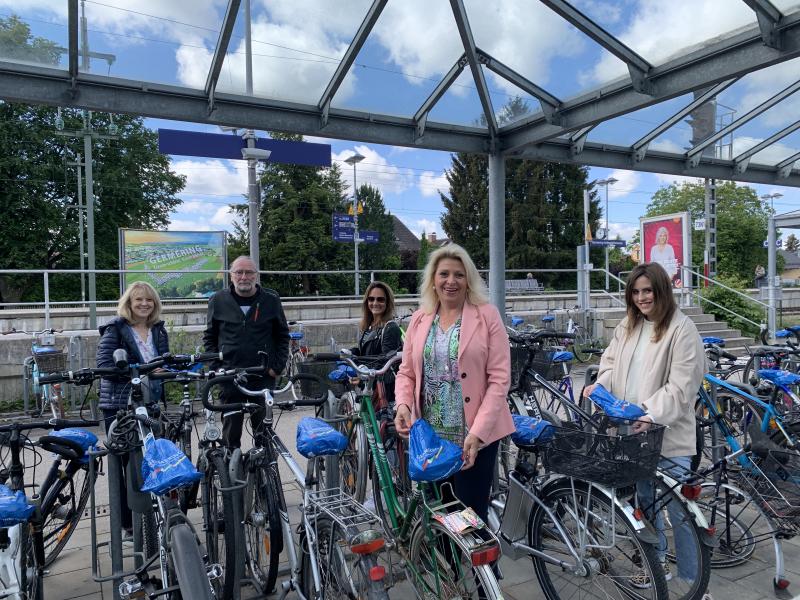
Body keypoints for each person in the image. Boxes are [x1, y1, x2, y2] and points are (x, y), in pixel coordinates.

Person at [583, 262, 705, 587]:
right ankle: (657, 564)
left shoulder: (682, 329)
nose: (641, 298)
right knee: (645, 502)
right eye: (635, 292)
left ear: (661, 290)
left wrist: (649, 413)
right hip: (632, 433)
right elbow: (609, 363)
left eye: (647, 290)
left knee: (680, 510)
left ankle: (693, 583)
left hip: (667, 433)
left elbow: (682, 387)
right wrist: (601, 385)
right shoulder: (628, 326)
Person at [394, 244, 515, 523]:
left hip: (473, 438)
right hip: (431, 439)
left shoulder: (487, 316)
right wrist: (402, 405)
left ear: (468, 279)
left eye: (459, 275)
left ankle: (482, 569)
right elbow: (407, 372)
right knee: (440, 518)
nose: (451, 281)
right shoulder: (420, 319)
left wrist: (479, 433)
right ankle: (448, 567)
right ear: (433, 280)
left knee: (470, 521)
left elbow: (499, 380)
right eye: (444, 274)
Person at [97, 281, 170, 538]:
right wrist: (142, 370)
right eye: (138, 299)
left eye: (149, 300)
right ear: (129, 303)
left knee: (149, 461)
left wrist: (164, 370)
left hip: (150, 403)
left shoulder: (158, 330)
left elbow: (165, 361)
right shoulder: (115, 329)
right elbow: (106, 365)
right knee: (124, 465)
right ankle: (127, 524)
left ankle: (152, 519)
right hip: (120, 404)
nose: (144, 304)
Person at [203, 256, 290, 448]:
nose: (244, 277)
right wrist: (217, 368)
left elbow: (283, 336)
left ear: (256, 275)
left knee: (264, 433)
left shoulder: (271, 300)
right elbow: (209, 338)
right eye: (239, 272)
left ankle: (266, 474)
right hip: (230, 377)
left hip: (262, 376)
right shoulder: (217, 300)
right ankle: (231, 474)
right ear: (231, 275)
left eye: (249, 272)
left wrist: (277, 367)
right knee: (231, 435)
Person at [351, 281, 403, 404]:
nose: (375, 303)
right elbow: (366, 353)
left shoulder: (390, 328)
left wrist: (362, 376)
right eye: (371, 299)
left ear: (387, 303)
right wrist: (352, 353)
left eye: (380, 300)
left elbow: (386, 362)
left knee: (378, 423)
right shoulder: (368, 326)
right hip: (369, 385)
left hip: (383, 392)